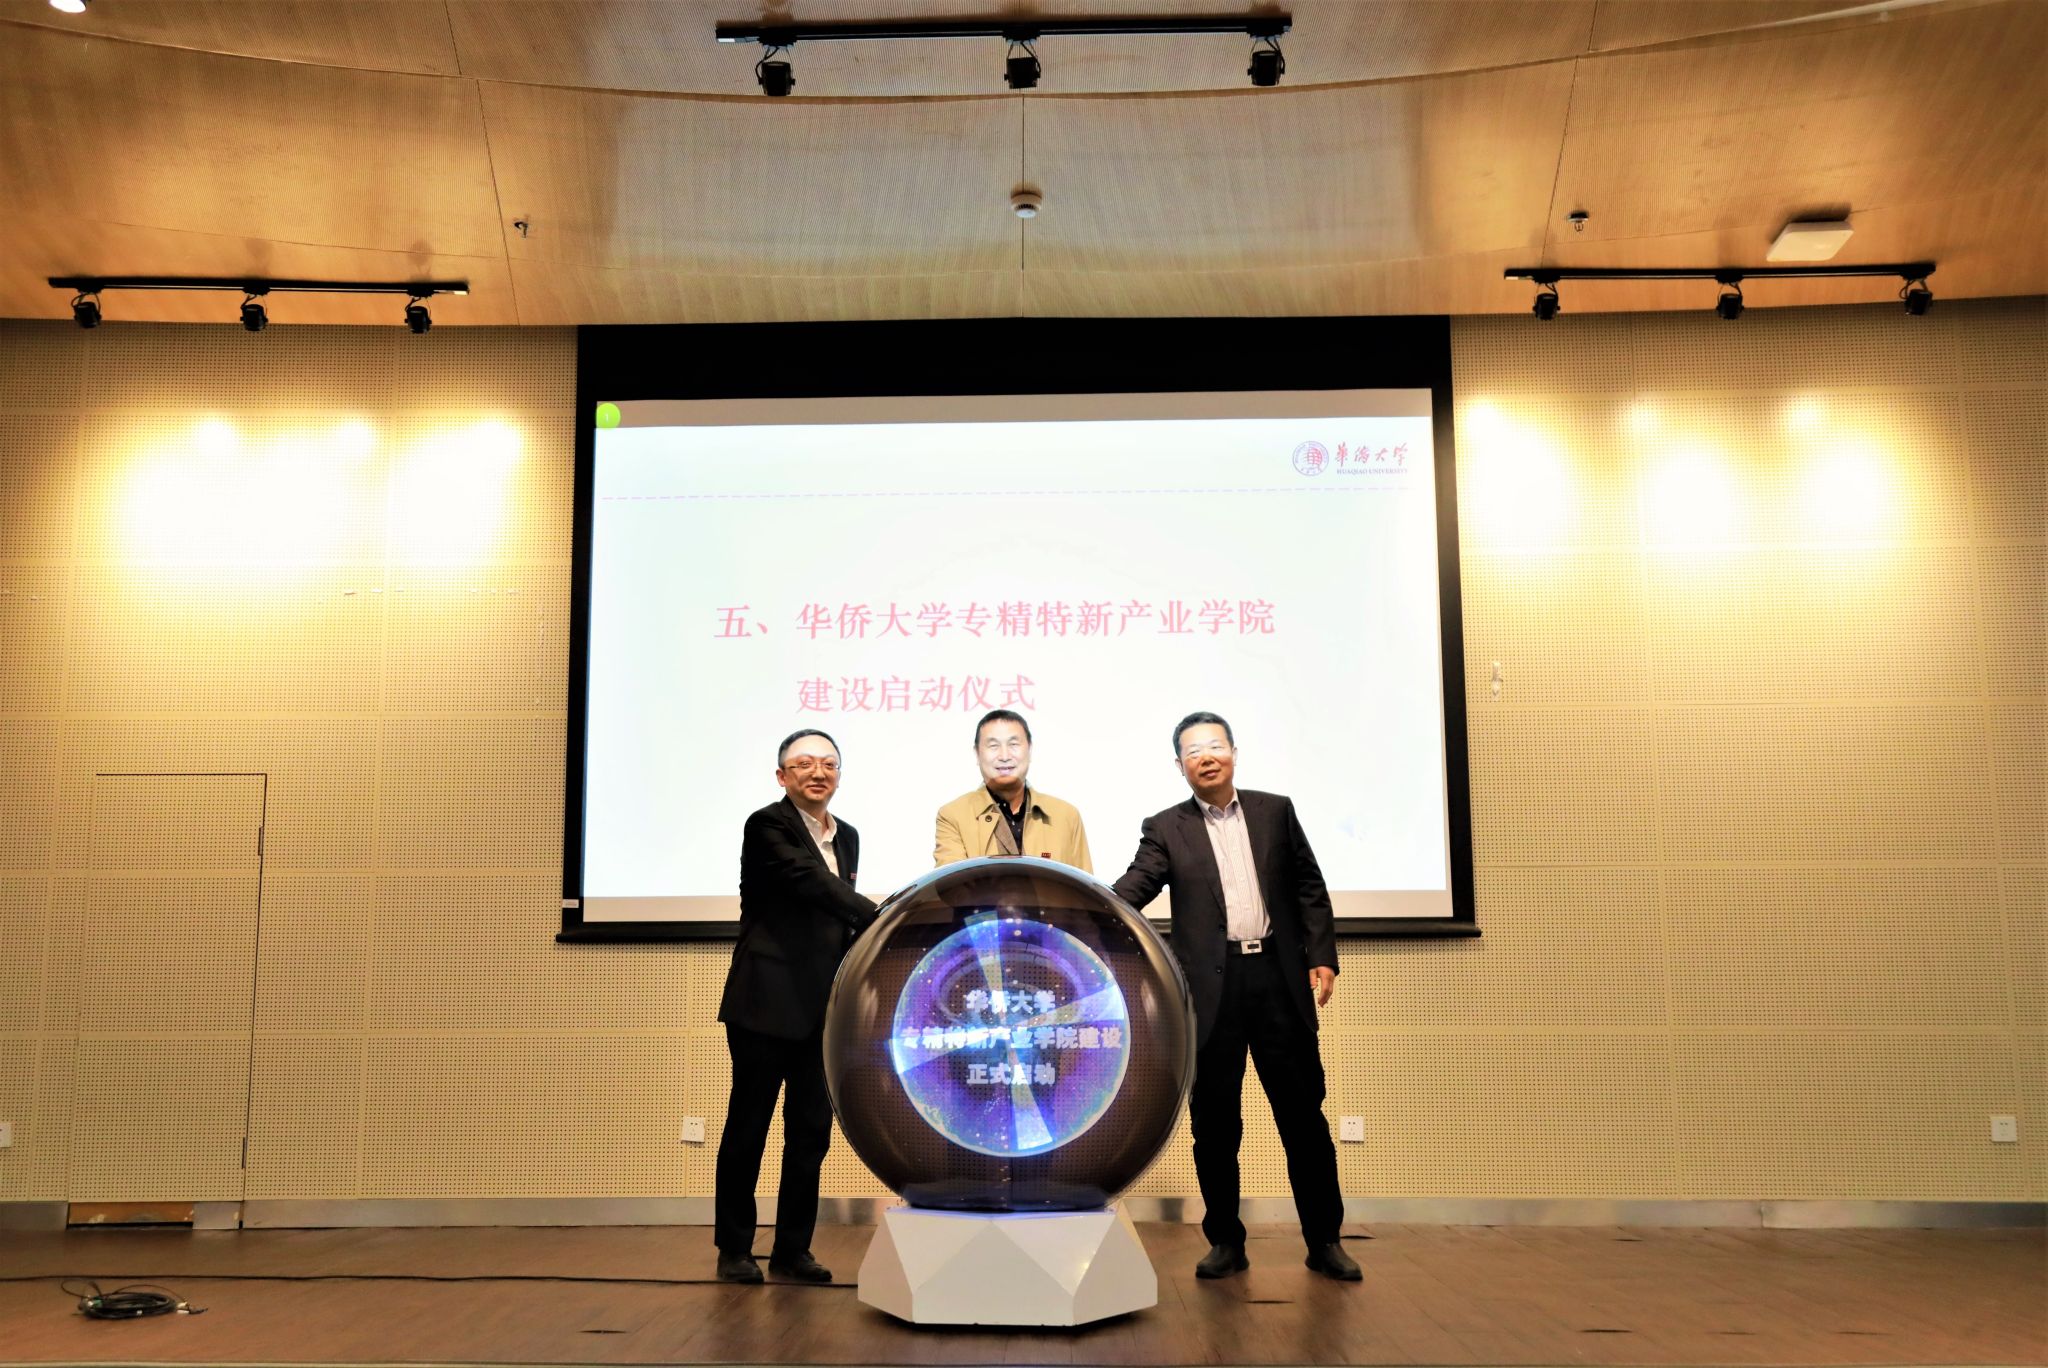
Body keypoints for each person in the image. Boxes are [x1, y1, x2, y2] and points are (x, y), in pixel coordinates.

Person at [1111, 711, 1360, 1283]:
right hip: (1210, 993)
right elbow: (1135, 887)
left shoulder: (1276, 811)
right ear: (1180, 765)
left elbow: (1309, 886)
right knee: (1215, 1125)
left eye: (1215, 746)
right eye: (1193, 751)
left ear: (1233, 753)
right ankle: (1225, 1240)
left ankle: (1325, 1241)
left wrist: (1322, 955)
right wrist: (1089, 903)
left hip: (1277, 981)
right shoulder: (1165, 827)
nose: (1206, 757)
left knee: (1303, 1119)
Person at [713, 728, 876, 1285]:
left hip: (820, 1007)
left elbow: (835, 919)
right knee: (749, 1127)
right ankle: (735, 1248)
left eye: (828, 764)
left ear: (839, 776)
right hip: (764, 1000)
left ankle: (792, 1250)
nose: (817, 773)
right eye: (804, 764)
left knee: (810, 1133)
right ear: (782, 776)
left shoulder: (847, 835)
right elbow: (811, 884)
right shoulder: (767, 825)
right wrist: (881, 913)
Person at [933, 709, 1093, 872]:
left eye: (1013, 744)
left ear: (1029, 749)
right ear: (977, 753)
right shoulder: (953, 816)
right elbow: (951, 883)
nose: (1004, 756)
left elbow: (1085, 885)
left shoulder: (1066, 816)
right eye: (993, 746)